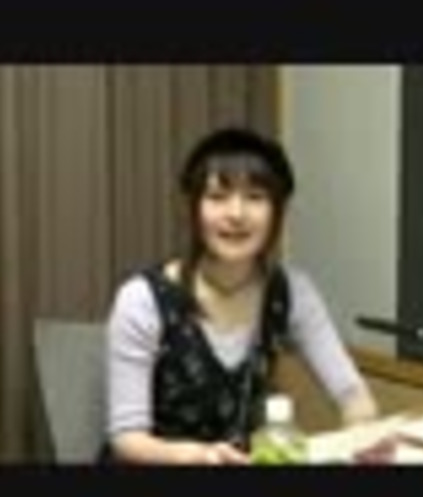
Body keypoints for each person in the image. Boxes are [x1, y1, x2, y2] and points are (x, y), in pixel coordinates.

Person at [101, 127, 378, 465]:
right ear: (193, 208)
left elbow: (352, 394)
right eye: (218, 196)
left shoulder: (293, 291)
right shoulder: (142, 300)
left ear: (278, 212)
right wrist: (198, 456)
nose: (236, 214)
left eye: (255, 197)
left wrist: (363, 433)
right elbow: (127, 439)